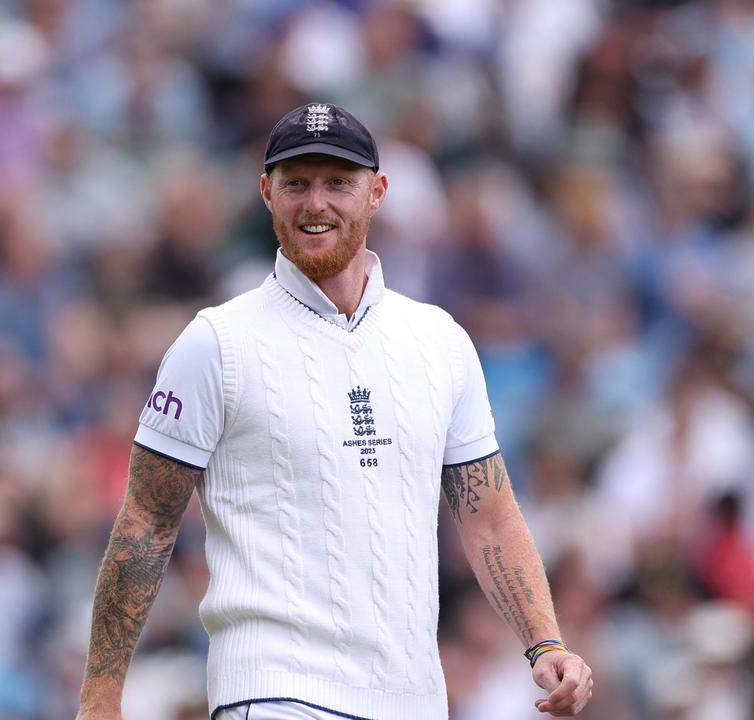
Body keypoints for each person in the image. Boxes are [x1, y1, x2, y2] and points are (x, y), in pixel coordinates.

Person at [75, 103, 593, 719]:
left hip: (413, 701)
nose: (315, 202)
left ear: (377, 193)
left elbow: (487, 515)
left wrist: (545, 640)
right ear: (267, 193)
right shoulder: (216, 342)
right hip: (273, 693)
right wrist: (100, 701)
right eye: (296, 183)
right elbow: (147, 523)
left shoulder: (439, 341)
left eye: (337, 183)